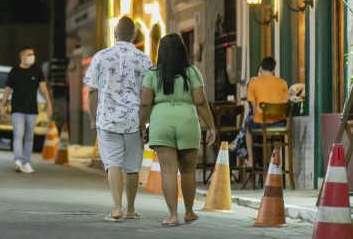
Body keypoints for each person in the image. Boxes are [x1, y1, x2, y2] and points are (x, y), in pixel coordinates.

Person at [139, 33, 216, 227]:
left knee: (168, 171)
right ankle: (189, 212)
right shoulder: (192, 72)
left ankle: (172, 215)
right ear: (182, 50)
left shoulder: (152, 73)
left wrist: (141, 126)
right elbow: (200, 101)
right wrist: (211, 126)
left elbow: (146, 104)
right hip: (187, 121)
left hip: (161, 121)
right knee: (189, 171)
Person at [84, 17, 153, 223]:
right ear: (134, 34)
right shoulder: (144, 59)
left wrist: (92, 119)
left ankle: (117, 208)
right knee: (132, 167)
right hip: (134, 120)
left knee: (113, 163)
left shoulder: (101, 56)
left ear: (115, 32)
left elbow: (92, 92)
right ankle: (131, 209)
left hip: (107, 119)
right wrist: (145, 122)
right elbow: (149, 95)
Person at [0, 47, 53, 174]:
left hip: (32, 109)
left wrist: (49, 104)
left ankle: (26, 162)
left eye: (33, 54)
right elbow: (7, 89)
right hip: (17, 108)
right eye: (29, 54)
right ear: (22, 56)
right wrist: (2, 105)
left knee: (29, 137)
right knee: (18, 135)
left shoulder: (36, 71)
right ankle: (18, 160)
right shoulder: (14, 71)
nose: (32, 56)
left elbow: (43, 89)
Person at [231, 57, 289, 167]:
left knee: (248, 127)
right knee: (277, 131)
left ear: (261, 68)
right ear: (273, 70)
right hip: (279, 123)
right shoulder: (283, 83)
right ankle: (276, 154)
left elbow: (253, 107)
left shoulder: (254, 83)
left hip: (261, 123)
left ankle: (251, 160)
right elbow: (285, 104)